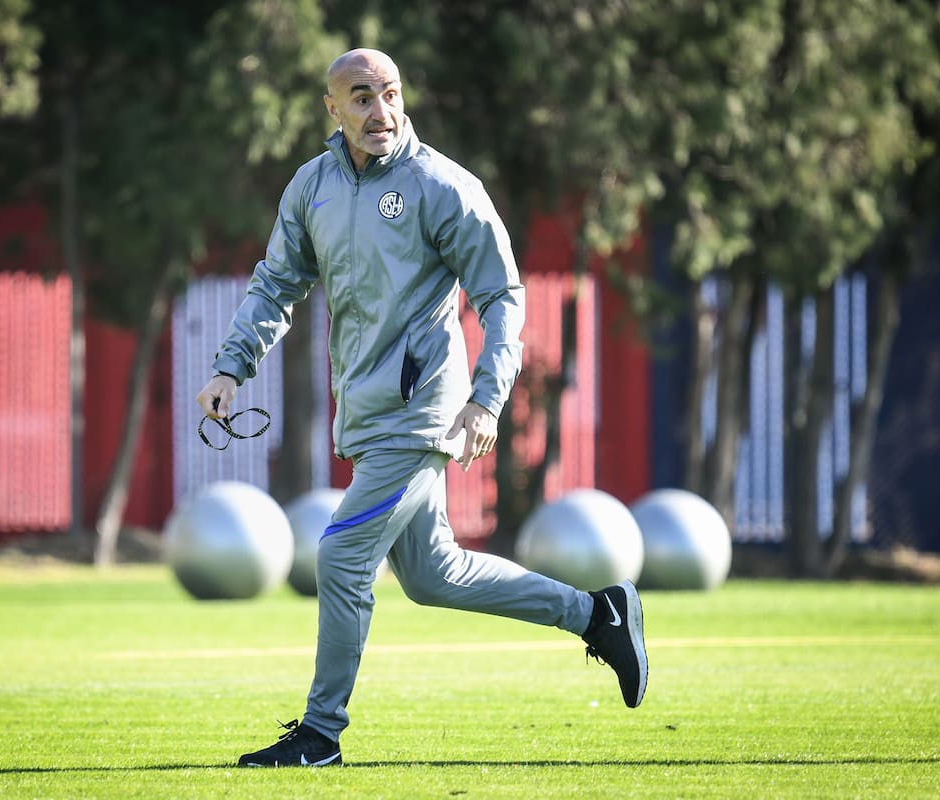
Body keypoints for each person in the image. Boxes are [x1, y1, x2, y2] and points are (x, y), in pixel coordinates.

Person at [196, 48, 647, 768]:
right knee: (436, 575)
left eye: (391, 94)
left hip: (423, 414)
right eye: (362, 97)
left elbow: (503, 297)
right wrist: (229, 367)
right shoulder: (311, 187)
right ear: (332, 109)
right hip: (369, 416)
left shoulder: (440, 185)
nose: (381, 111)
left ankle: (320, 735)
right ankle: (600, 614)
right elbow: (277, 283)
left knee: (341, 554)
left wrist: (485, 399)